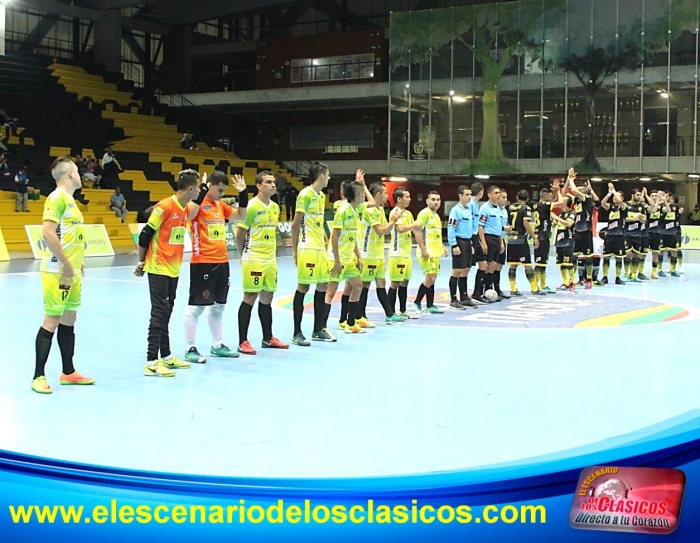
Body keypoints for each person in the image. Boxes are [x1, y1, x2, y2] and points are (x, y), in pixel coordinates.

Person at [32, 157, 96, 394]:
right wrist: (67, 265)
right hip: (57, 271)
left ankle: (68, 372)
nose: (80, 175)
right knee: (52, 320)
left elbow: (71, 237)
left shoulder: (71, 202)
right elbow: (48, 233)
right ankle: (38, 375)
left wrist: (79, 264)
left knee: (70, 319)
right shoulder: (56, 198)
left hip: (72, 271)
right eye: (77, 171)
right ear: (70, 173)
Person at [134, 169, 201, 377]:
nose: (199, 190)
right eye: (198, 187)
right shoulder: (164, 207)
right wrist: (141, 261)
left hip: (173, 268)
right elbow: (145, 234)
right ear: (191, 188)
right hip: (158, 267)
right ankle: (151, 361)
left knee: (167, 311)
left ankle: (166, 356)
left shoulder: (183, 209)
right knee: (159, 312)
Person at [183, 171, 248, 363]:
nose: (221, 194)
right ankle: (190, 348)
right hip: (202, 262)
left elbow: (240, 216)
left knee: (219, 306)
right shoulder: (197, 203)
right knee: (196, 308)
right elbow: (190, 214)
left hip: (222, 262)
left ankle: (217, 345)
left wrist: (243, 194)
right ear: (209, 185)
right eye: (219, 190)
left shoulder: (220, 206)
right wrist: (201, 192)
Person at [235, 171, 290, 354]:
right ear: (259, 186)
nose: (273, 185)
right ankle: (242, 341)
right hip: (254, 258)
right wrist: (244, 254)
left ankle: (268, 338)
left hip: (270, 259)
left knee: (267, 298)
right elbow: (240, 233)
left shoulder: (275, 207)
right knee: (250, 297)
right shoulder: (251, 206)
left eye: (273, 182)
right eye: (268, 182)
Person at [290, 162, 333, 346]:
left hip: (320, 248)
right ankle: (297, 332)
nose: (329, 178)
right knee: (304, 287)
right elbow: (295, 224)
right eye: (328, 174)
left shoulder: (322, 196)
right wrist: (294, 250)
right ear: (321, 175)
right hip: (307, 247)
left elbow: (317, 222)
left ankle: (318, 329)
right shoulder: (305, 194)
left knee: (323, 286)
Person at [319, 180, 367, 334]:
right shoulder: (343, 210)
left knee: (358, 286)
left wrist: (358, 256)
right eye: (363, 193)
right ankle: (322, 325)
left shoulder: (354, 211)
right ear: (359, 195)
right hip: (336, 259)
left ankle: (350, 322)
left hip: (349, 259)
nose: (365, 196)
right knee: (331, 290)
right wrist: (337, 261)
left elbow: (351, 237)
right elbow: (334, 236)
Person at [357, 182, 406, 325]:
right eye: (385, 193)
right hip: (368, 254)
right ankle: (360, 316)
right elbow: (380, 230)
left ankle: (389, 314)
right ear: (378, 195)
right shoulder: (370, 211)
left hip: (378, 254)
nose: (386, 196)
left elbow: (387, 229)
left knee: (381, 283)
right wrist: (393, 221)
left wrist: (391, 223)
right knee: (365, 285)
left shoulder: (379, 210)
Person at [413, 190, 448, 313]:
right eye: (433, 199)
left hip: (435, 252)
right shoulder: (424, 214)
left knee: (434, 278)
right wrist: (423, 249)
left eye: (438, 199)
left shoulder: (437, 216)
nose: (436, 202)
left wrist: (442, 246)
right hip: (427, 251)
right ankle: (417, 302)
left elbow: (436, 235)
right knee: (430, 278)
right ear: (427, 201)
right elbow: (417, 232)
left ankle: (430, 305)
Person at [387, 187, 419, 319]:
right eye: (407, 197)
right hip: (397, 253)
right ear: (399, 199)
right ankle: (390, 313)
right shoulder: (395, 212)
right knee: (395, 283)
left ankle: (403, 310)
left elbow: (414, 230)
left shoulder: (409, 213)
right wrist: (415, 225)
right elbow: (400, 229)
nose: (410, 199)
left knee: (405, 282)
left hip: (406, 253)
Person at [565, 168, 600, 289]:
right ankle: (571, 280)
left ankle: (589, 280)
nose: (575, 193)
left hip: (586, 232)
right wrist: (567, 180)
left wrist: (571, 179)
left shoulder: (587, 199)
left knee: (588, 257)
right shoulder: (577, 202)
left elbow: (574, 190)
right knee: (573, 258)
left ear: (583, 192)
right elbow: (565, 193)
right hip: (577, 233)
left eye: (579, 191)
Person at [506, 190, 543, 296]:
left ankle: (513, 289)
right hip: (521, 240)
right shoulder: (526, 208)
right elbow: (526, 223)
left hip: (511, 240)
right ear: (527, 199)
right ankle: (535, 289)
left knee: (513, 265)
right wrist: (534, 237)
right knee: (527, 265)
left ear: (517, 197)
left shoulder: (510, 207)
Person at [447, 186, 476, 310]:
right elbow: (451, 228)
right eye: (467, 194)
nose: (469, 197)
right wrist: (454, 244)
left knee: (466, 270)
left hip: (467, 241)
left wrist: (471, 244)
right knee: (457, 271)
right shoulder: (455, 210)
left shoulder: (468, 209)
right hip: (459, 241)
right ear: (460, 196)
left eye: (470, 194)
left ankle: (464, 297)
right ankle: (453, 299)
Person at [533, 183, 565, 293]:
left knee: (542, 263)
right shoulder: (544, 205)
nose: (552, 198)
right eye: (550, 196)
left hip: (542, 236)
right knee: (539, 264)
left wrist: (556, 192)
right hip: (542, 236)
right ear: (546, 197)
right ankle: (535, 286)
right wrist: (559, 191)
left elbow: (554, 200)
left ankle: (543, 285)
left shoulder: (538, 205)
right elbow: (560, 202)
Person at [477, 186, 504, 302]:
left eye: (499, 193)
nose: (498, 195)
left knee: (493, 267)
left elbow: (498, 227)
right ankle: (482, 291)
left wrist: (501, 241)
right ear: (489, 195)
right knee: (487, 266)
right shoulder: (484, 208)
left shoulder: (498, 208)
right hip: (488, 238)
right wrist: (483, 242)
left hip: (496, 239)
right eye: (496, 193)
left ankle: (489, 291)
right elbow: (480, 226)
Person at [599, 183, 627, 285]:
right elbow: (602, 203)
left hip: (619, 236)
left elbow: (619, 201)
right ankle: (605, 277)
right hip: (609, 235)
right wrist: (609, 193)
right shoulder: (610, 207)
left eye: (618, 196)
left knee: (618, 258)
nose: (615, 198)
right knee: (606, 257)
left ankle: (618, 277)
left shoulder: (624, 207)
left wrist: (614, 190)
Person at [552, 197, 576, 291]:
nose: (561, 201)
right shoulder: (560, 213)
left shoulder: (572, 213)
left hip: (568, 241)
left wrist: (556, 218)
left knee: (568, 263)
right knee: (561, 263)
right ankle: (566, 283)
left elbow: (569, 224)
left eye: (563, 201)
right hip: (559, 242)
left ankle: (572, 282)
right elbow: (553, 225)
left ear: (566, 203)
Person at [468, 183, 487, 302]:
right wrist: (470, 242)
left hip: (475, 238)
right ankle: (462, 295)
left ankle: (477, 293)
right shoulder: (470, 204)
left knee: (483, 265)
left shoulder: (475, 204)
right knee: (465, 269)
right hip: (469, 238)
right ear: (481, 191)